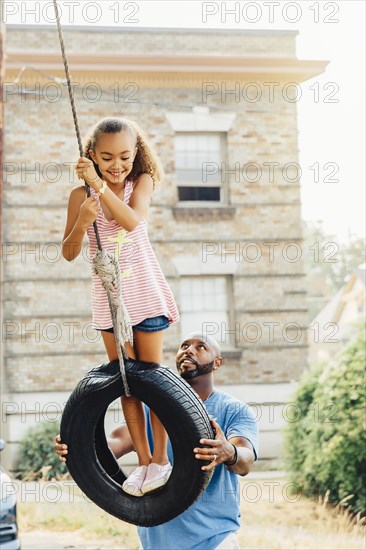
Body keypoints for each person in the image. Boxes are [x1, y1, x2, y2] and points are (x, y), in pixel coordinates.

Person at [61, 117, 179, 496]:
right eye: (107, 157)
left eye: (125, 156)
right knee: (127, 382)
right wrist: (81, 222)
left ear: (136, 154)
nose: (117, 165)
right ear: (92, 155)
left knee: (153, 379)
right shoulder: (79, 196)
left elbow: (131, 221)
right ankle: (143, 463)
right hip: (109, 301)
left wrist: (100, 187)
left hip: (143, 292)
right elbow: (68, 252)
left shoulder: (139, 184)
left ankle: (161, 459)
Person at [55, 332, 258, 549]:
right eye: (184, 345)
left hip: (213, 541)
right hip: (155, 542)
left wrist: (229, 452)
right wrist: (77, 446)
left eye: (201, 347)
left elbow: (245, 459)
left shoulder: (233, 409)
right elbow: (115, 442)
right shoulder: (151, 412)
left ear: (217, 363)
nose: (189, 350)